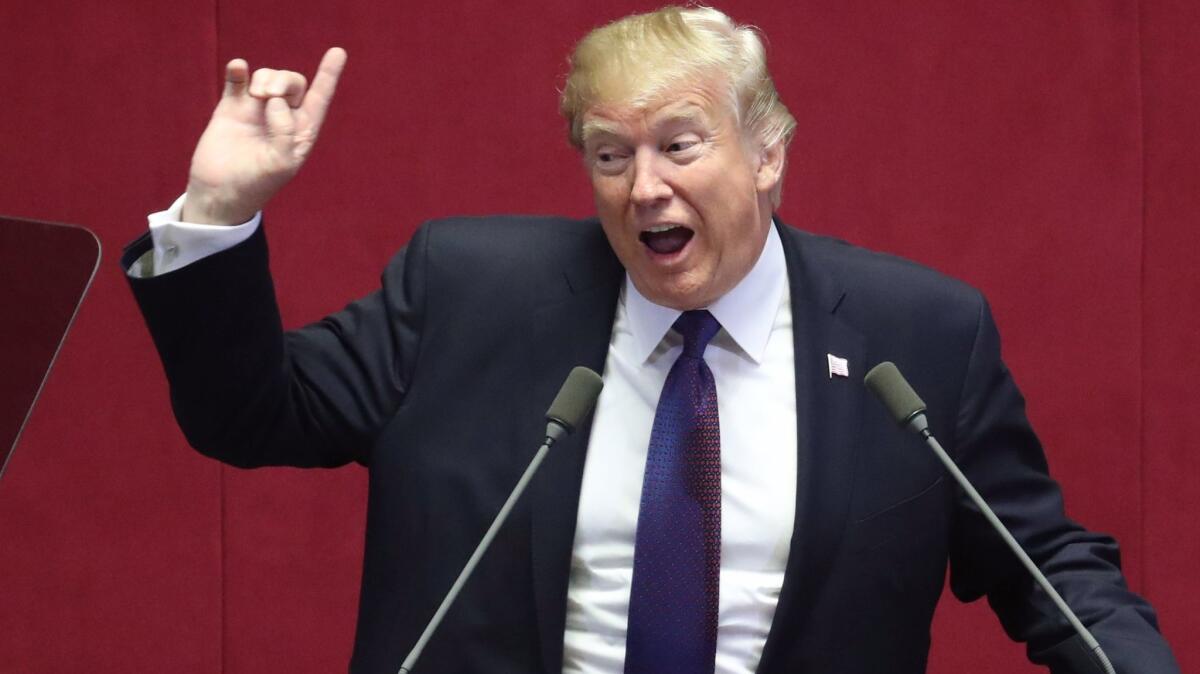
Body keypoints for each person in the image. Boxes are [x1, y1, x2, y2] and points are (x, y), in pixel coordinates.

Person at [123, 6, 1179, 674]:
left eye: (679, 144)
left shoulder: (921, 334)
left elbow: (1041, 556)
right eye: (609, 154)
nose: (645, 187)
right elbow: (248, 413)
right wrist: (218, 211)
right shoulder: (469, 289)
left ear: (765, 152)